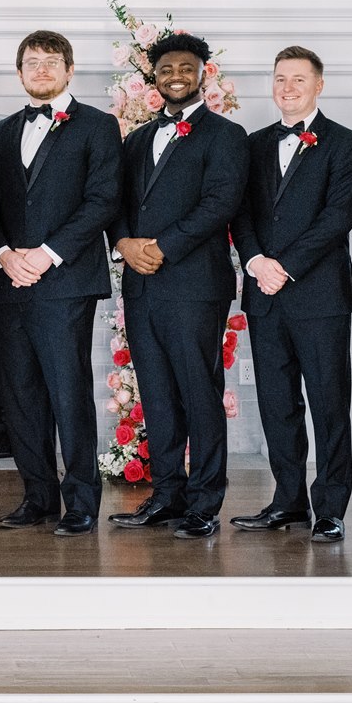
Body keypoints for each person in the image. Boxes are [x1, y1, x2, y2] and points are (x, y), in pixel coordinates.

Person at [108, 32, 250, 539]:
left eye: (185, 68)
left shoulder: (227, 136)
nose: (175, 76)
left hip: (193, 284)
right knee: (158, 395)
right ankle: (167, 494)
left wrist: (163, 247)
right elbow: (116, 202)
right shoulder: (137, 139)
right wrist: (124, 243)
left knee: (199, 393)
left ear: (202, 73)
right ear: (155, 77)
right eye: (166, 69)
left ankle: (204, 501)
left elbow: (221, 202)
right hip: (141, 287)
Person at [230, 47, 352, 543]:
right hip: (264, 293)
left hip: (320, 295)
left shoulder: (347, 144)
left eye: (299, 80)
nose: (288, 88)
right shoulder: (253, 144)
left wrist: (284, 266)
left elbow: (338, 217)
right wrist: (255, 261)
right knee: (277, 402)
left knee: (330, 402)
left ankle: (330, 507)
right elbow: (238, 213)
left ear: (319, 85)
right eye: (280, 79)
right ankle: (288, 500)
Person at [0, 31, 120, 537]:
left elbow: (102, 200)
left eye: (51, 62)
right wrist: (2, 253)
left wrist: (45, 255)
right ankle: (37, 497)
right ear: (19, 73)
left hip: (65, 281)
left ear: (69, 70)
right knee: (19, 395)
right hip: (9, 280)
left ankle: (82, 501)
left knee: (68, 393)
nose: (41, 70)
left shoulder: (98, 126)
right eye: (31, 62)